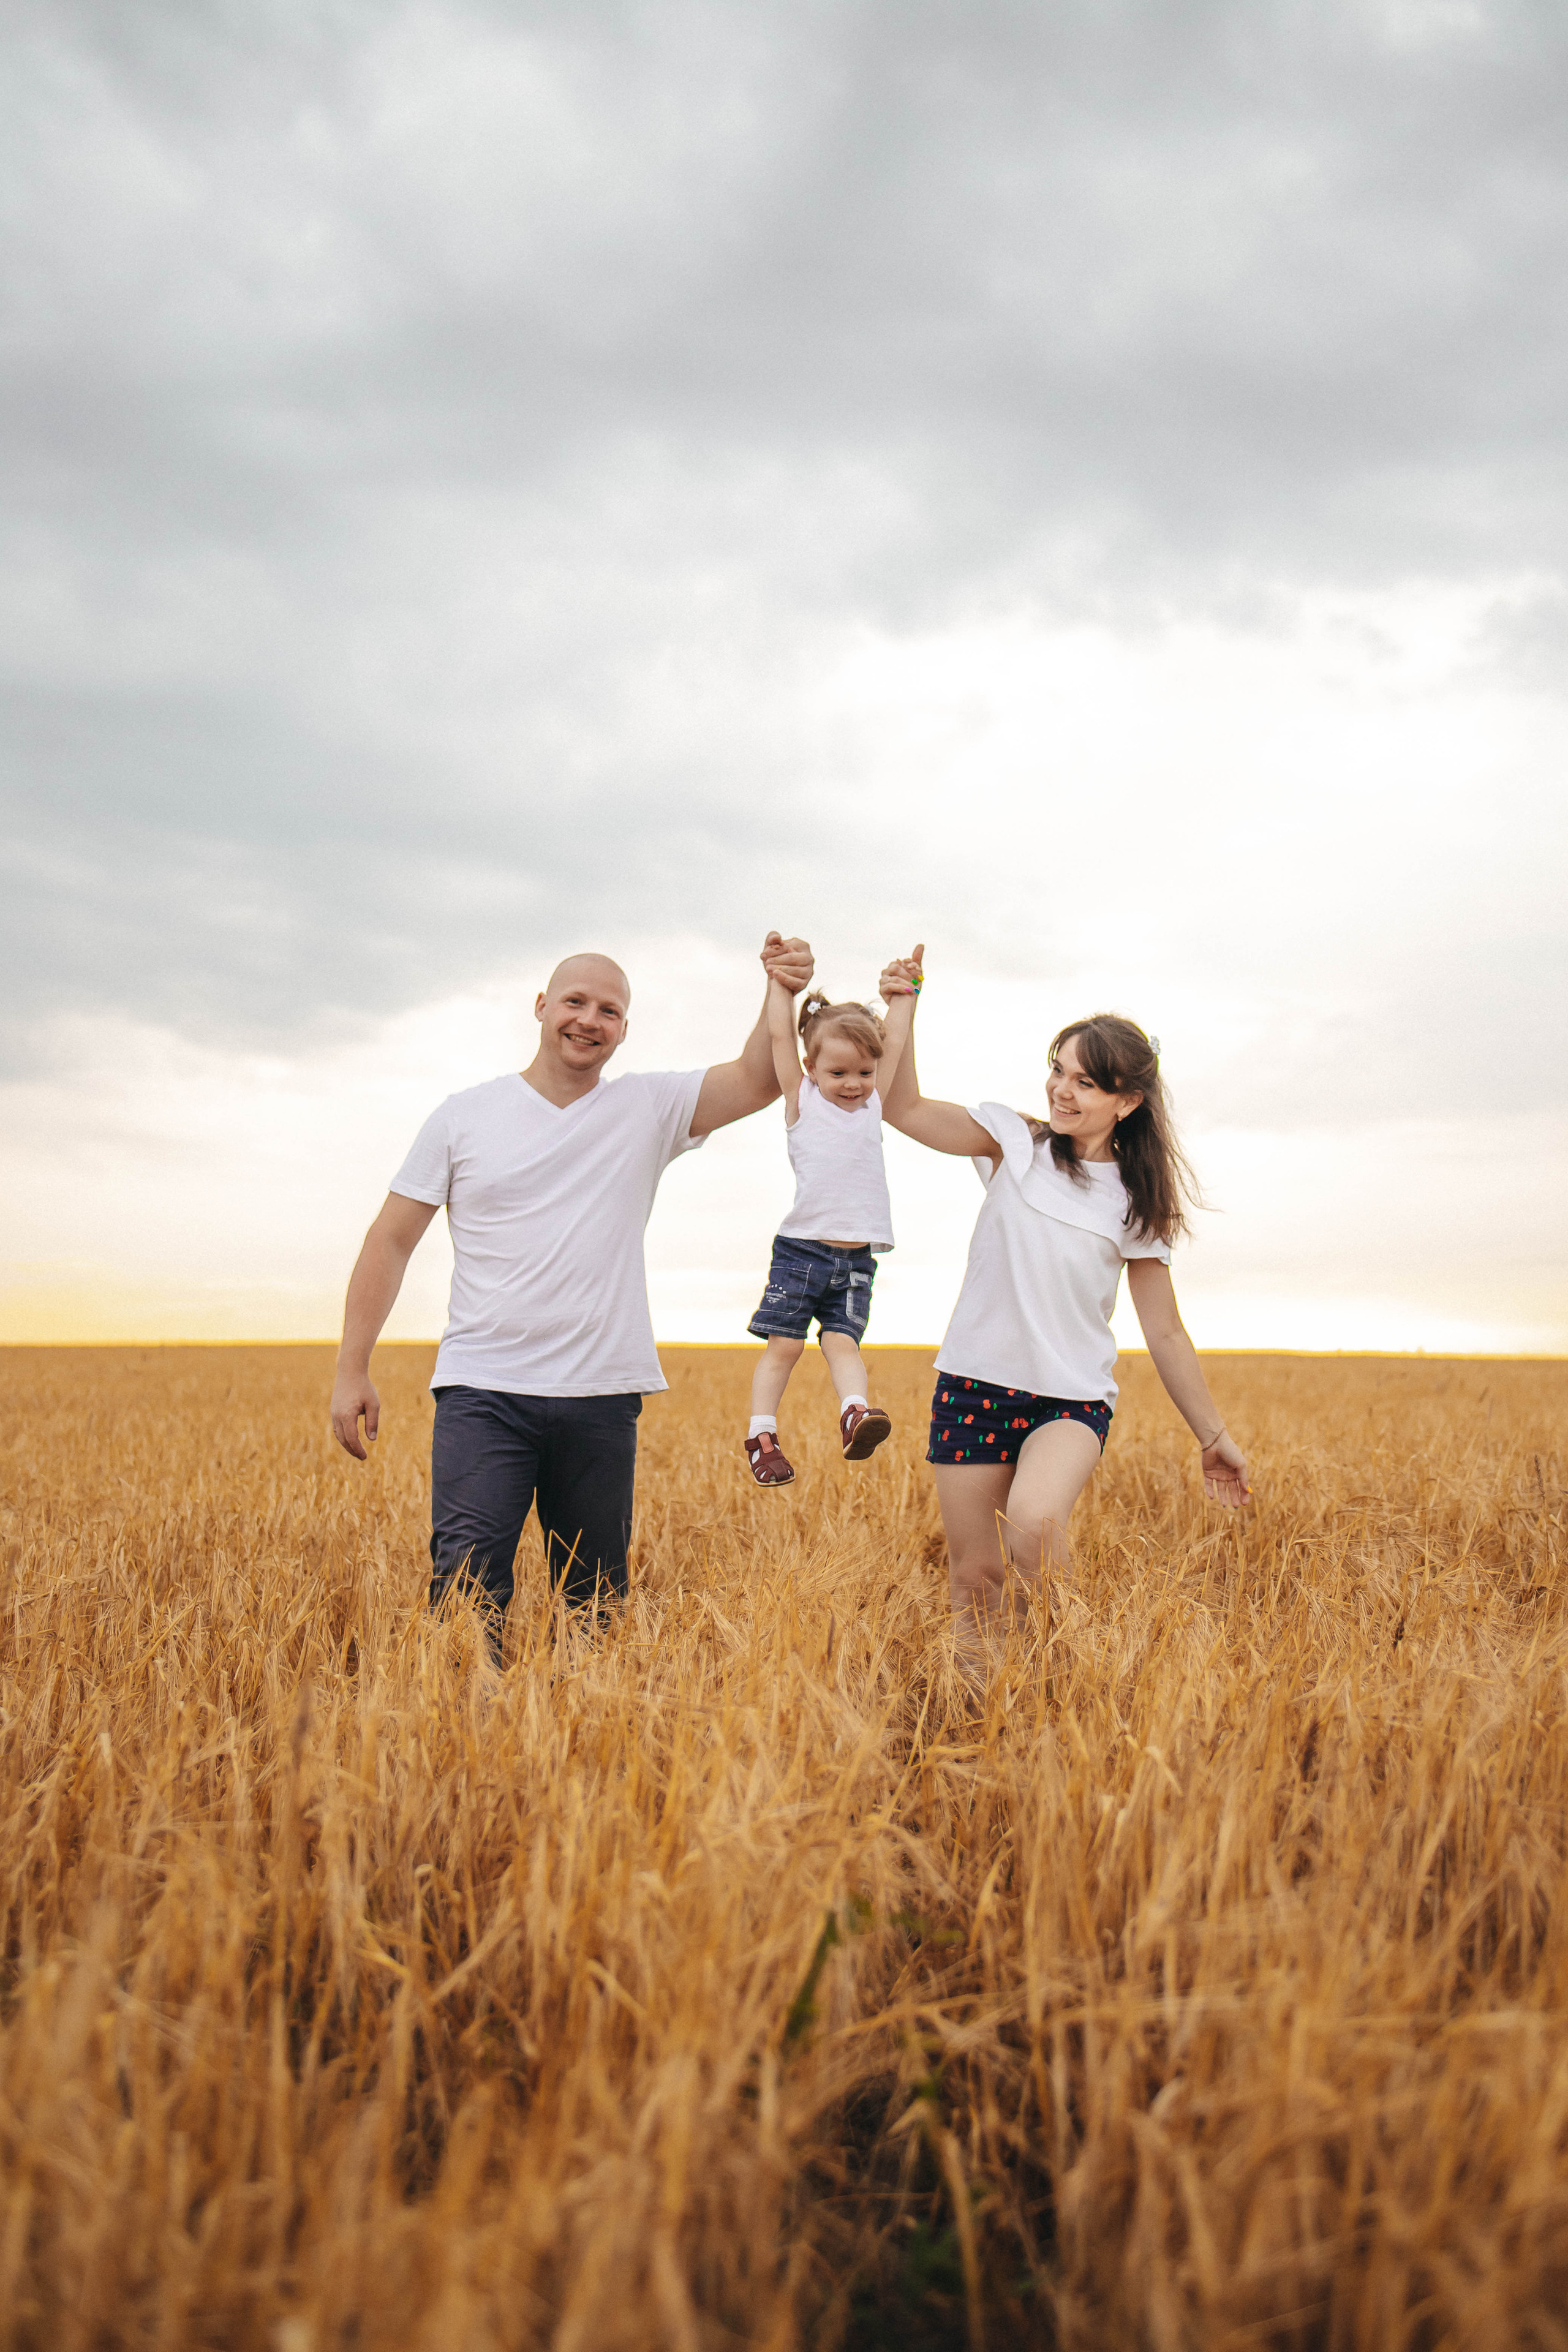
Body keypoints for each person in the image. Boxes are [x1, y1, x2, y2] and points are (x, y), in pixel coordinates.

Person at [328, 932, 815, 1655]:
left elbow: (756, 1079)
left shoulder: (648, 1107)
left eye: (609, 1011)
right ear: (541, 1007)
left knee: (595, 1603)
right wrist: (351, 1369)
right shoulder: (464, 1115)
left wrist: (780, 989)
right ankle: (466, 1747)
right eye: (576, 1002)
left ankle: (579, 1750)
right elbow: (390, 1241)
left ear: (624, 1029)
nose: (589, 1020)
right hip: (484, 1391)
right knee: (465, 1589)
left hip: (600, 1394)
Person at [877, 946, 1251, 1671]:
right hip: (973, 1385)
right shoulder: (1013, 1142)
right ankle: (981, 1714)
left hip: (1069, 1401)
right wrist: (904, 1003)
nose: (1063, 1091)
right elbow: (903, 1108)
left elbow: (1165, 1331)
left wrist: (1212, 1436)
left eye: (1086, 1082)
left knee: (1036, 1524)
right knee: (975, 1577)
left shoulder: (1138, 1205)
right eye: (1059, 1071)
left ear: (1128, 1102)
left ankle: (1068, 1678)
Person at [742, 970, 916, 1485]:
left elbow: (897, 1040)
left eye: (864, 1073)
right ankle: (762, 1436)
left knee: (843, 1341)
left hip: (857, 1257)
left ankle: (855, 1413)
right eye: (838, 1073)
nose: (853, 1084)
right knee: (787, 1346)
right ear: (811, 1069)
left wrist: (908, 992)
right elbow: (779, 1035)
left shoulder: (872, 1105)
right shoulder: (803, 1103)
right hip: (802, 1252)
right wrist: (779, 983)